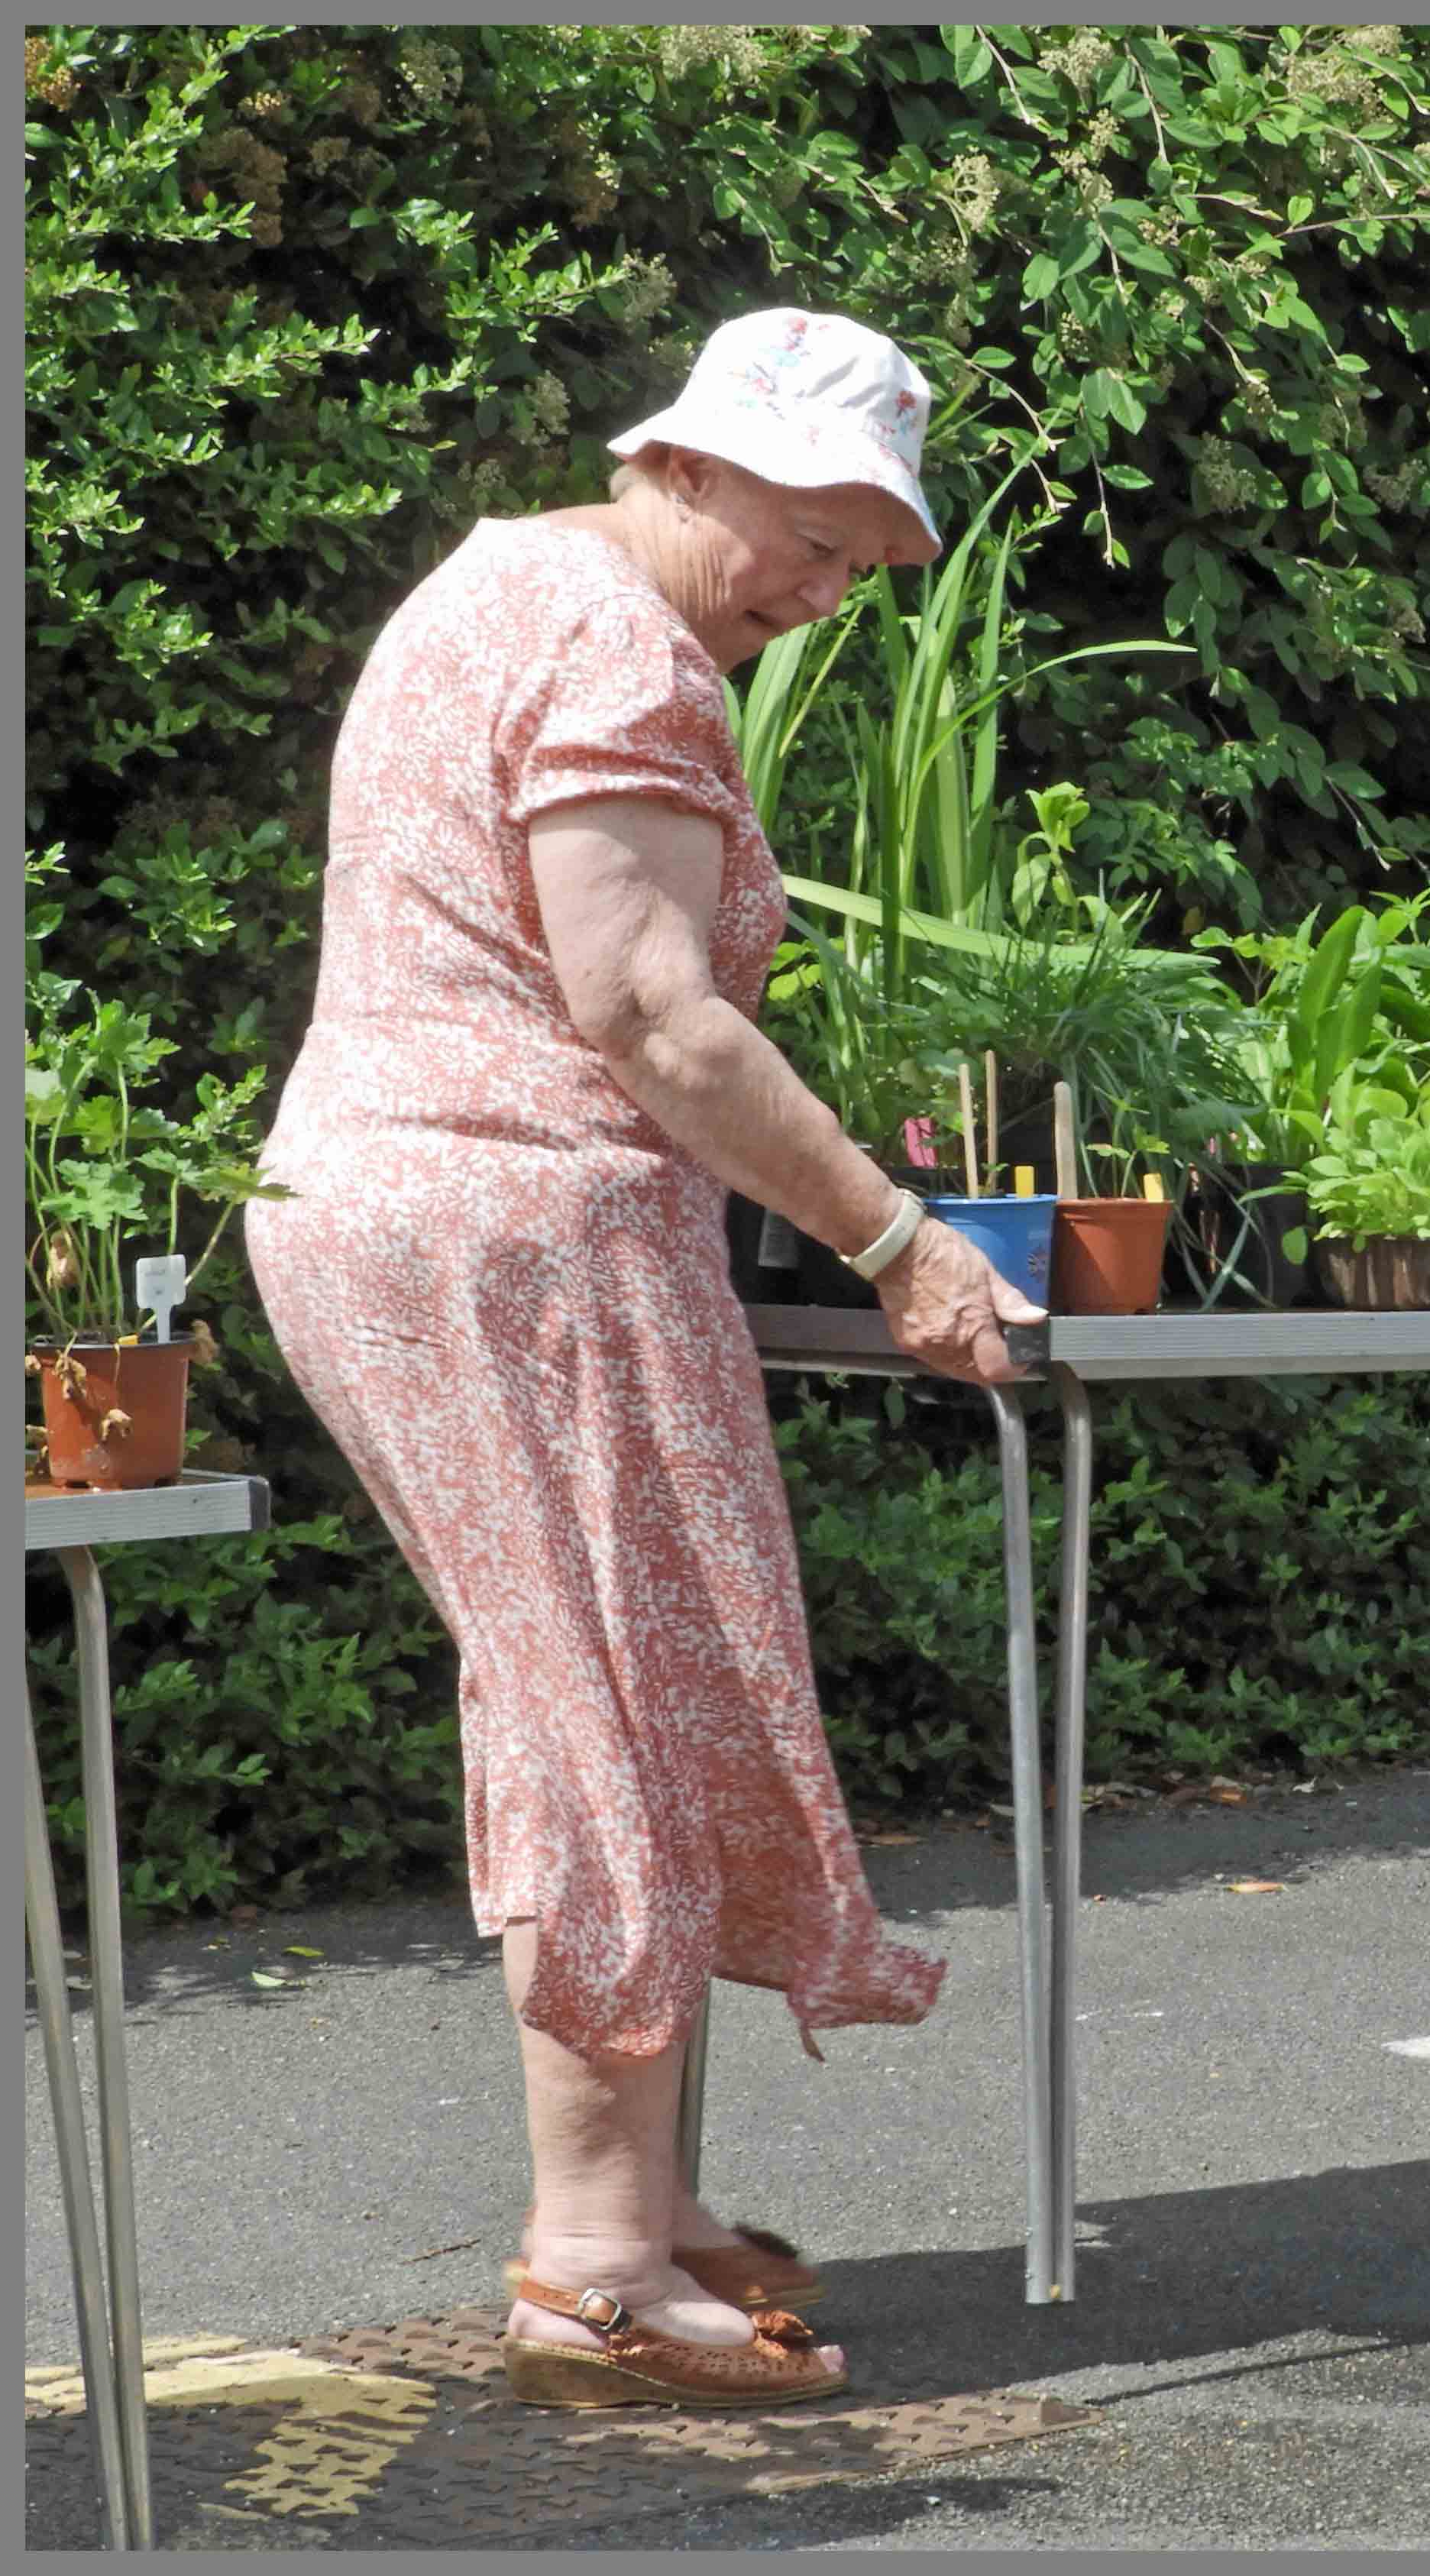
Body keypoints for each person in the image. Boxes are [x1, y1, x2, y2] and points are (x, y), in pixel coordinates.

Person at [247, 309, 1047, 2405]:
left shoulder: (501, 580)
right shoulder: (625, 650)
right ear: (683, 464)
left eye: (867, 561)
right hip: (517, 1228)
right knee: (597, 1698)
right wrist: (898, 1240)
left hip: (421, 1209)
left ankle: (648, 2201)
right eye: (814, 535)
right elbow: (652, 1013)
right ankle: (594, 2262)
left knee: (611, 1680)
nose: (829, 589)